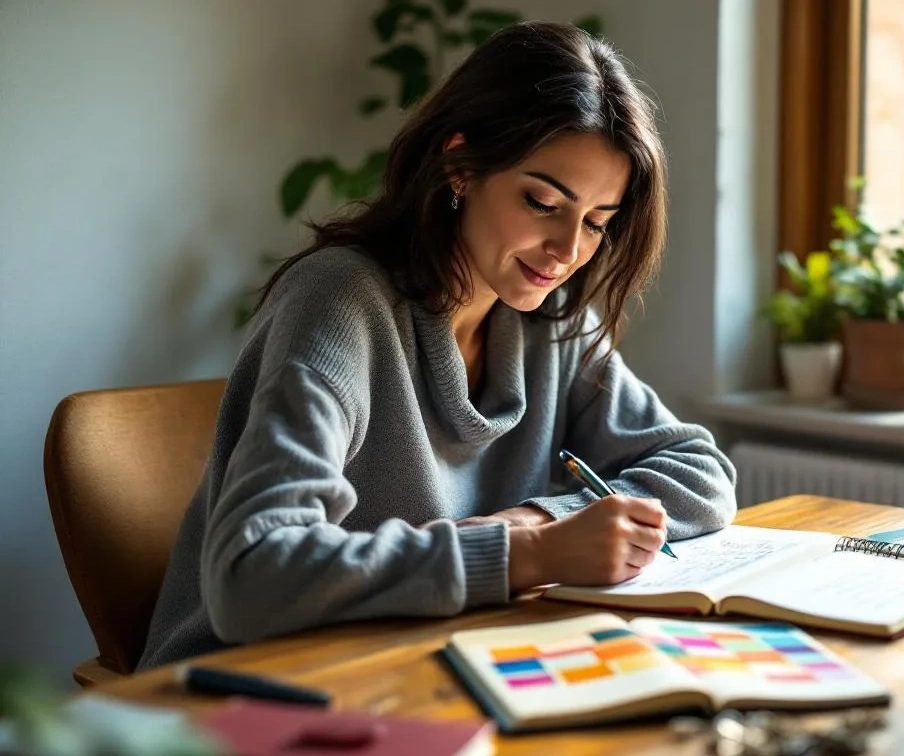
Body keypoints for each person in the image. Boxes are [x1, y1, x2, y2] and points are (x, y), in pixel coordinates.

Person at [137, 21, 737, 670]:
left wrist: (539, 520)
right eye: (542, 202)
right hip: (251, 686)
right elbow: (251, 576)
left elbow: (700, 472)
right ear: (459, 166)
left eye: (596, 223)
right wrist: (525, 555)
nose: (567, 252)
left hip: (426, 662)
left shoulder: (552, 323)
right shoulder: (340, 302)